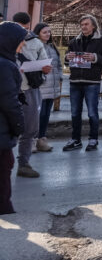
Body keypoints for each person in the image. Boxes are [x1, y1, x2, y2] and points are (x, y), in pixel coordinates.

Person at [63, 15, 102, 152]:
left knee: (92, 113)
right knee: (74, 113)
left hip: (92, 82)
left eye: (86, 24)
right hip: (75, 81)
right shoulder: (74, 41)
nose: (83, 26)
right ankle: (76, 140)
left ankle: (93, 139)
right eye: (82, 24)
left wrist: (94, 57)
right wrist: (67, 58)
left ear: (93, 26)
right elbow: (67, 59)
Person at [12, 12, 50, 177]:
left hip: (29, 90)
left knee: (30, 128)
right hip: (8, 90)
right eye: (21, 28)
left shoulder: (35, 42)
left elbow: (45, 63)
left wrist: (44, 70)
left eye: (27, 29)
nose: (24, 32)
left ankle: (24, 164)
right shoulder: (5, 39)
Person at [0, 22, 28, 214]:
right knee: (3, 171)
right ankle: (5, 210)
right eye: (20, 42)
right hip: (1, 131)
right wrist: (19, 126)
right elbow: (9, 102)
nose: (23, 45)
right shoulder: (4, 66)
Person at [33, 23, 62, 154]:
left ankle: (42, 139)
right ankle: (32, 141)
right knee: (37, 115)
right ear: (38, 33)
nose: (48, 34)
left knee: (45, 116)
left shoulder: (52, 47)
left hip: (52, 87)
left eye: (49, 32)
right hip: (41, 86)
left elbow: (59, 65)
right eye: (45, 32)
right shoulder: (35, 47)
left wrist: (60, 76)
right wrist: (41, 78)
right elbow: (33, 66)